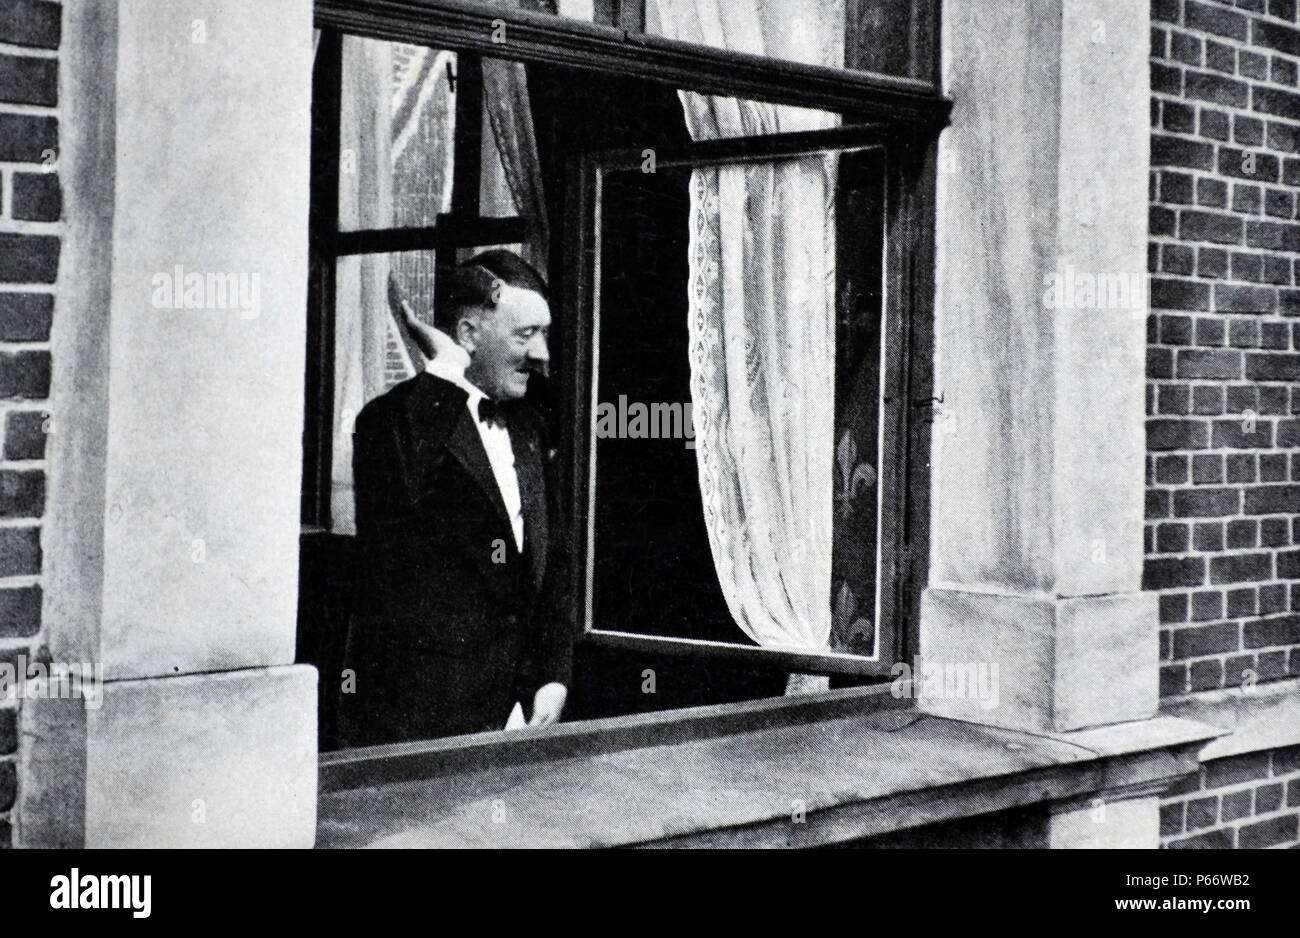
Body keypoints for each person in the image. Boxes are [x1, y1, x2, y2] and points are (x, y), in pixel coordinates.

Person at [339, 250, 571, 745]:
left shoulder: (532, 427)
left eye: (544, 333)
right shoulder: (389, 425)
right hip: (422, 729)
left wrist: (552, 676)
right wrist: (444, 372)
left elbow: (552, 565)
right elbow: (399, 505)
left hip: (519, 723)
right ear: (468, 336)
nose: (543, 353)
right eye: (525, 334)